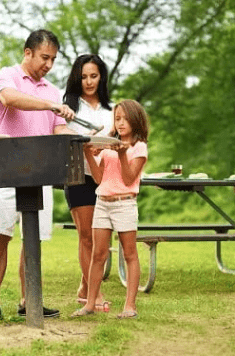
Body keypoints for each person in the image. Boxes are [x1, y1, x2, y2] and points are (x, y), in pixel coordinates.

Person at [0, 29, 76, 321]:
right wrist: (52, 105)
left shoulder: (52, 90)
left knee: (33, 238)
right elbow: (10, 100)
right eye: (45, 57)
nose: (48, 64)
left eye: (53, 59)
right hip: (4, 167)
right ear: (28, 52)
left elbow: (58, 128)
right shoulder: (6, 76)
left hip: (39, 170)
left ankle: (28, 300)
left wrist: (84, 135)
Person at [71, 99, 149, 319]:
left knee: (129, 253)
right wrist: (88, 153)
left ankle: (130, 306)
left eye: (125, 118)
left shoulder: (139, 147)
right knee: (98, 254)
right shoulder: (108, 146)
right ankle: (89, 305)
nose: (121, 123)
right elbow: (98, 178)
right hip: (103, 203)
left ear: (135, 120)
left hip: (125, 204)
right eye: (117, 118)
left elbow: (128, 178)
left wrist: (122, 153)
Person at [63, 54, 113, 310]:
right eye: (83, 77)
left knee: (102, 239)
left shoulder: (112, 110)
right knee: (86, 237)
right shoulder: (68, 108)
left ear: (101, 77)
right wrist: (83, 138)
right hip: (78, 175)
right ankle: (96, 294)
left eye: (93, 76)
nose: (89, 81)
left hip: (107, 179)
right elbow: (58, 134)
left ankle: (85, 287)